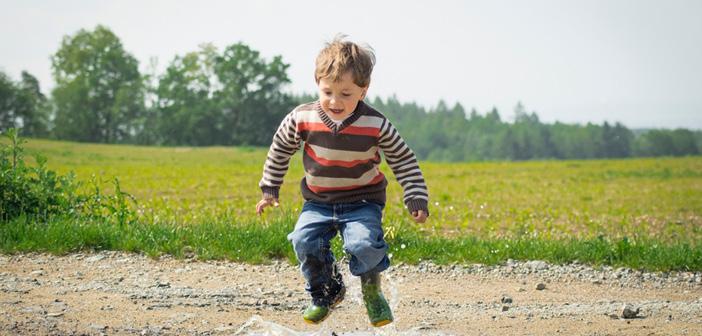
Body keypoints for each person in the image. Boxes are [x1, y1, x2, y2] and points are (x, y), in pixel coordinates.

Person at [256, 35, 429, 327]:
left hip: (362, 201)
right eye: (328, 92)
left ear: (363, 90)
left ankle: (372, 289)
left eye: (346, 94)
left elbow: (403, 159)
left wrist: (415, 196)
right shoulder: (302, 117)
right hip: (318, 202)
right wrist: (270, 188)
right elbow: (280, 148)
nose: (335, 101)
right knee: (303, 240)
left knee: (363, 245)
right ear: (317, 84)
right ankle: (325, 292)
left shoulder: (376, 124)